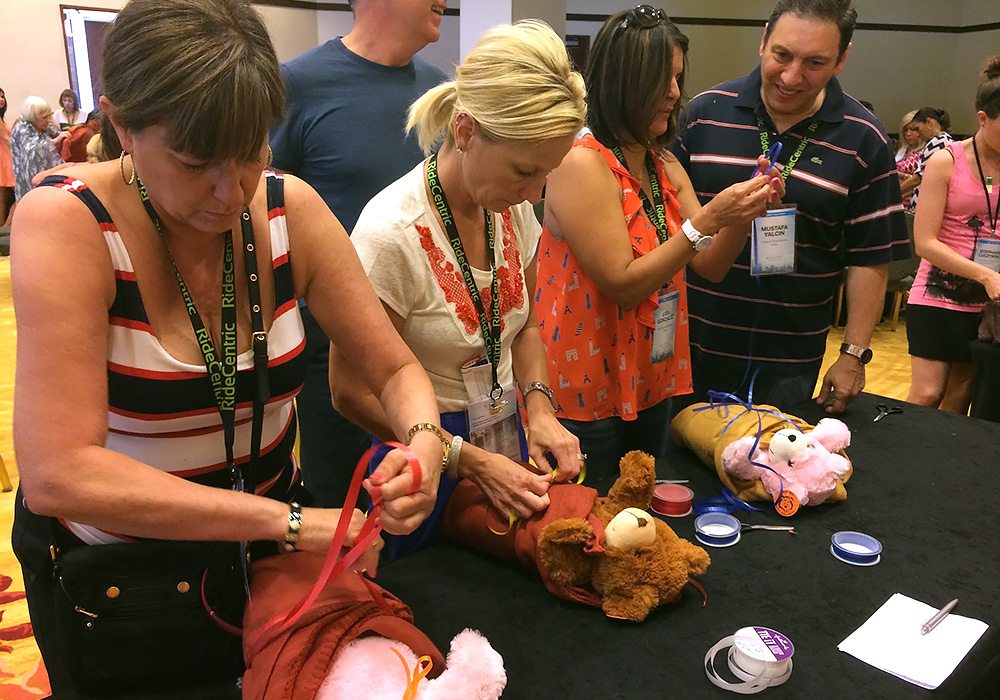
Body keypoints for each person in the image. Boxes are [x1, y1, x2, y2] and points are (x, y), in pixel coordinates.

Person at [10, 0, 444, 694]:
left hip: (268, 566)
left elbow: (393, 368)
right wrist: (284, 520)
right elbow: (60, 472)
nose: (229, 192)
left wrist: (422, 444)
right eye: (194, 163)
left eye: (251, 154)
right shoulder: (67, 223)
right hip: (124, 588)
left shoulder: (288, 207)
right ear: (121, 124)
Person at [332, 19, 585, 557]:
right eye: (524, 171)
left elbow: (525, 326)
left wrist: (540, 407)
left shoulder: (511, 209)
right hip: (419, 452)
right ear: (466, 131)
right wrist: (466, 459)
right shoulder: (391, 234)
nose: (534, 193)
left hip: (501, 432)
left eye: (547, 174)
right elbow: (350, 392)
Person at [535, 6, 783, 478]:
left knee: (644, 502)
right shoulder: (582, 162)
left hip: (652, 374)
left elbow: (710, 265)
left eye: (677, 78)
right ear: (622, 81)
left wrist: (742, 215)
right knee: (591, 510)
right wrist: (708, 218)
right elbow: (623, 285)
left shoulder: (662, 163)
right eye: (661, 80)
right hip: (586, 382)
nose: (674, 93)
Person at [672, 0, 909, 413]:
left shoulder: (865, 138)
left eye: (814, 63)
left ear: (842, 59)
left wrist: (853, 354)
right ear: (764, 40)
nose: (791, 76)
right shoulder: (703, 115)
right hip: (688, 345)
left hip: (790, 357)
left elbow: (870, 258)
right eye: (782, 55)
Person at [270, 0, 449, 508]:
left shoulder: (439, 90)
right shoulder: (299, 83)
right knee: (344, 510)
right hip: (335, 349)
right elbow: (263, 208)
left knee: (424, 504)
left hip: (430, 345)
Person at [905, 57, 1000, 413]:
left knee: (960, 397)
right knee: (928, 393)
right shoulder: (947, 160)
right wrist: (985, 274)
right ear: (982, 118)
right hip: (938, 295)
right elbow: (925, 242)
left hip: (988, 302)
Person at [900, 106, 954, 213]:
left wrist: (892, 194)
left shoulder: (937, 142)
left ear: (929, 122)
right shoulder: (944, 140)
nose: (918, 134)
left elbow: (918, 179)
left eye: (917, 129)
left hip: (926, 208)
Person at [9, 96, 63, 202]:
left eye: (49, 115)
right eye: (44, 117)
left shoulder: (39, 125)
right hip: (28, 181)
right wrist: (55, 141)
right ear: (33, 117)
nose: (48, 120)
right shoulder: (22, 129)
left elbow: (55, 132)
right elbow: (33, 150)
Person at [895, 109, 926, 210]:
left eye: (913, 130)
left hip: (912, 204)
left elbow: (921, 181)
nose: (908, 134)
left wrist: (901, 175)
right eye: (905, 130)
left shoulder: (925, 152)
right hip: (896, 202)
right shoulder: (903, 149)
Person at [0, 87, 14, 225]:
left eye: (3, 96)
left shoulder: (1, 119)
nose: (1, 100)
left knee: (6, 200)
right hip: (4, 161)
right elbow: (8, 140)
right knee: (3, 200)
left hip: (7, 159)